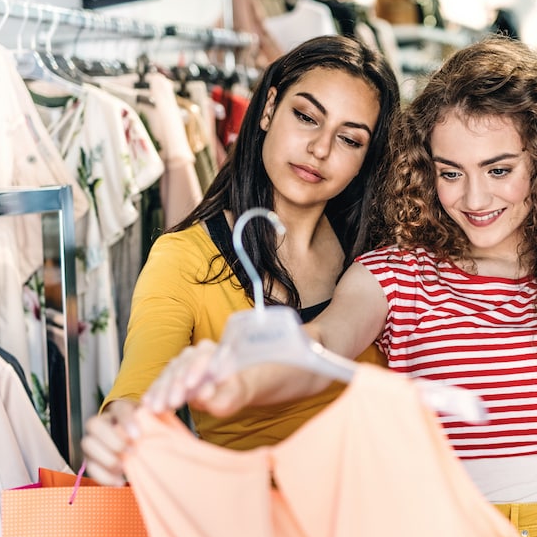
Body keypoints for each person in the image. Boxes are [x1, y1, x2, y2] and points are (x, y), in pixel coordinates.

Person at [144, 35, 537, 537]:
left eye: (498, 169)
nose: (473, 198)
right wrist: (229, 377)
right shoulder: (395, 274)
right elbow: (321, 345)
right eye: (450, 172)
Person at [80, 34, 401, 487]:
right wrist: (120, 429)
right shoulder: (185, 257)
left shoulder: (381, 254)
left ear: (367, 158)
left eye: (349, 139)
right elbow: (139, 387)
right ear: (268, 108)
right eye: (306, 117)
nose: (320, 149)